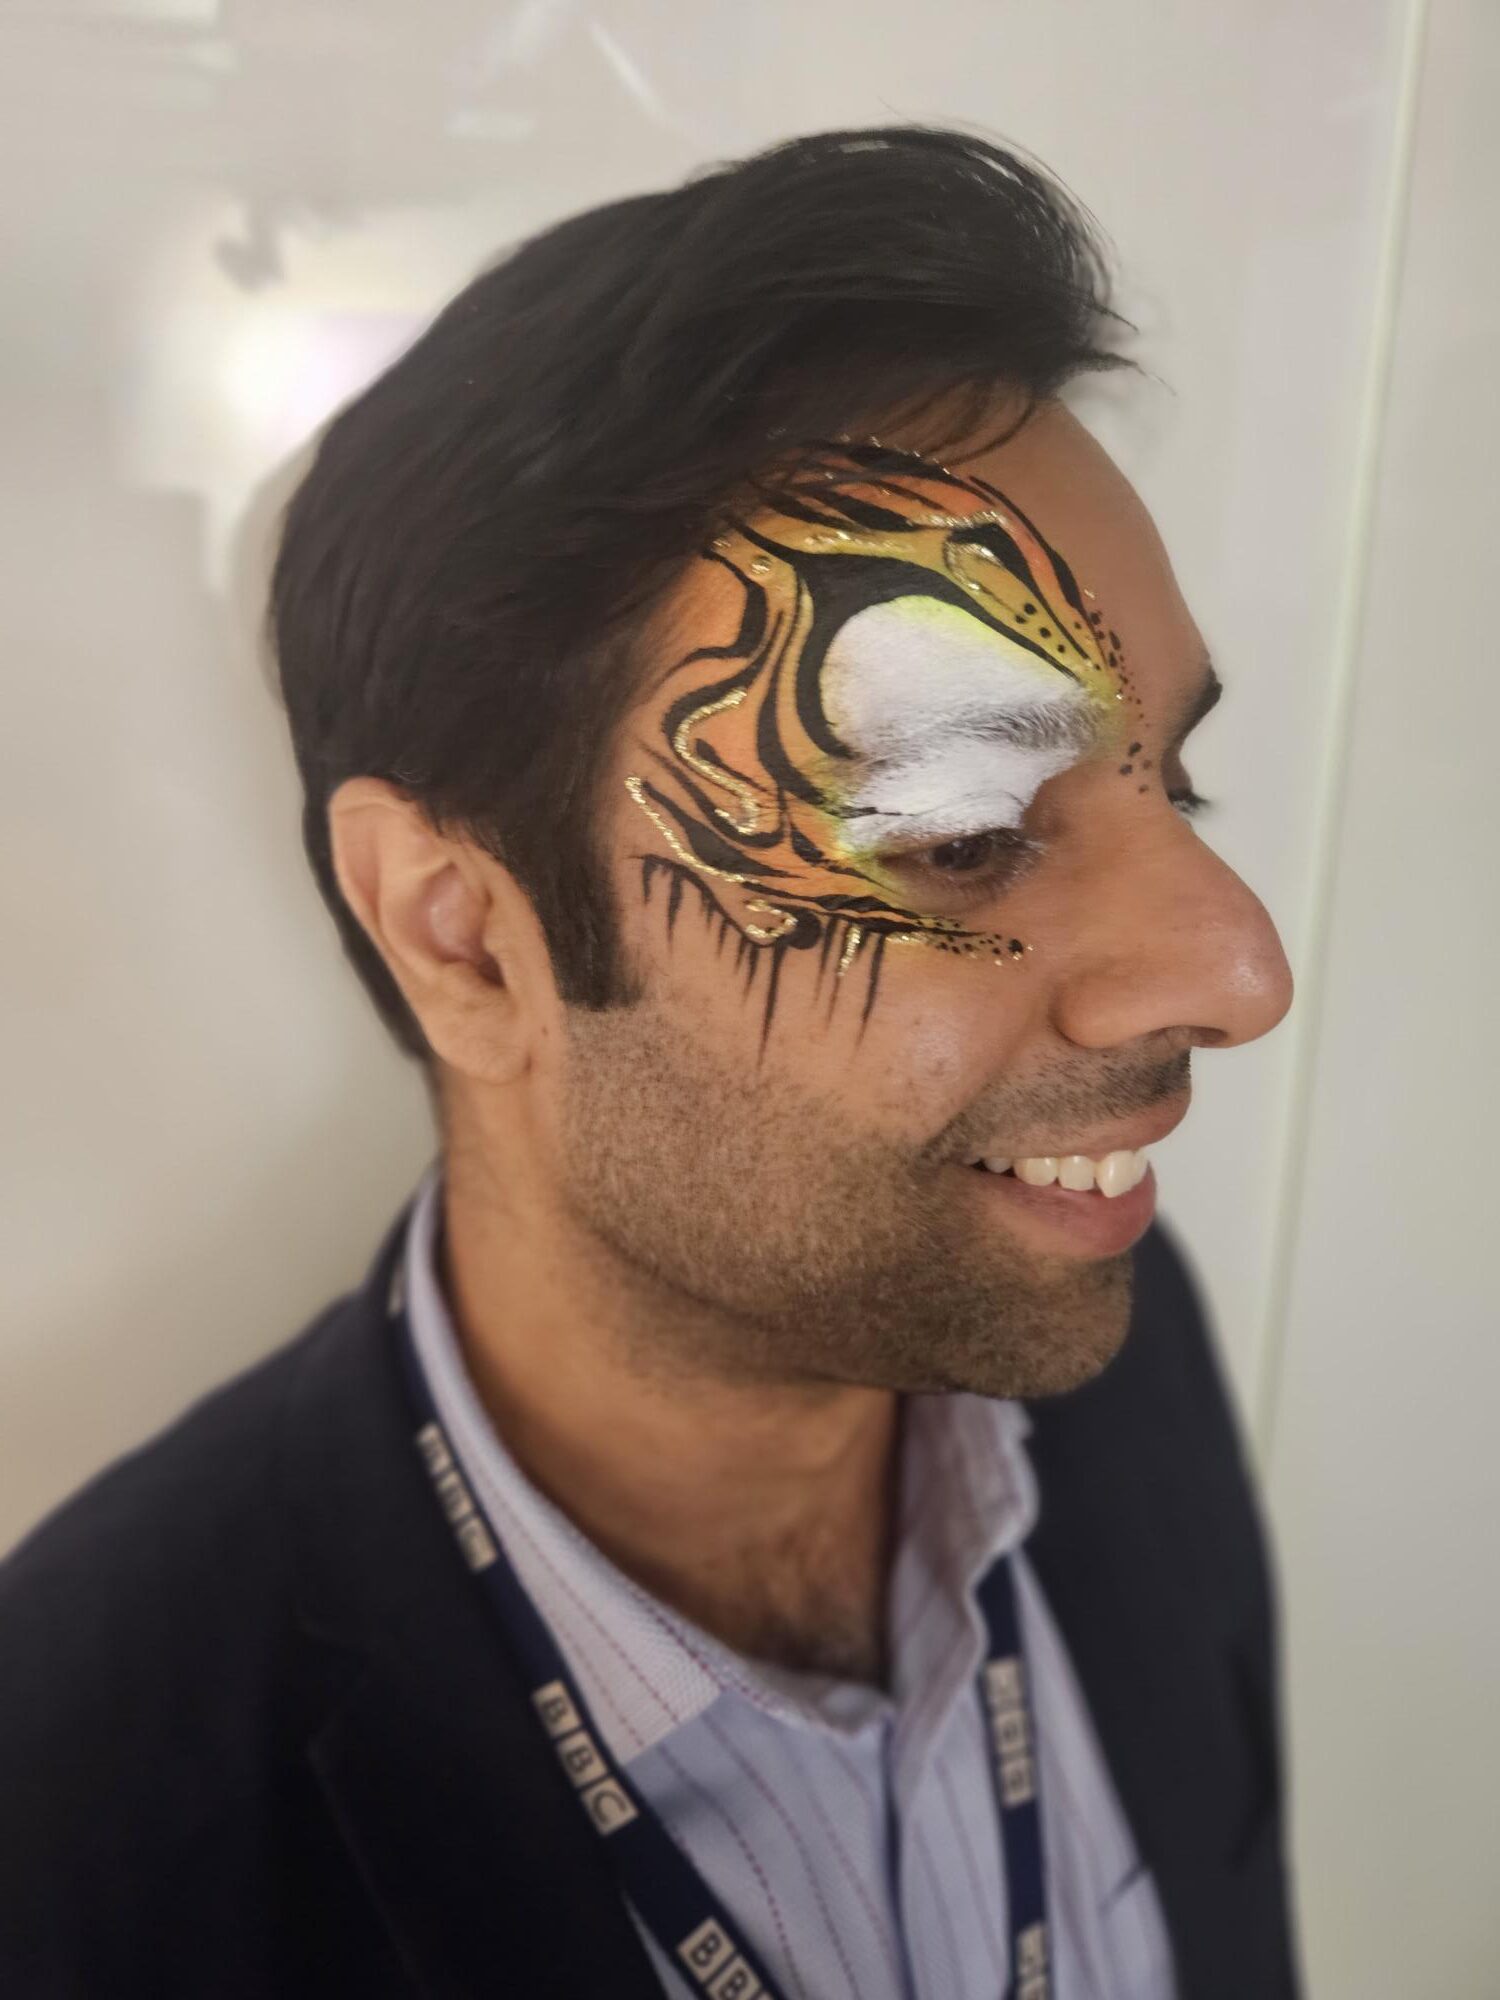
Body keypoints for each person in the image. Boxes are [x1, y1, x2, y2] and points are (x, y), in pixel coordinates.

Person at [0, 126, 1302, 1998]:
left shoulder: (1115, 1349)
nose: (1240, 971)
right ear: (464, 935)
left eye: (1175, 782)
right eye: (963, 835)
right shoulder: (83, 1838)